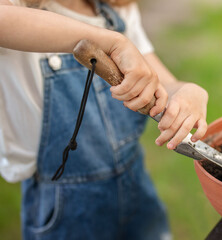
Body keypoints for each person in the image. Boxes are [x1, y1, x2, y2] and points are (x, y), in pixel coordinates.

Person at [0, 0, 208, 239]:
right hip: (66, 208)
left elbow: (162, 85)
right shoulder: (19, 13)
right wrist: (112, 41)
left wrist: (186, 90)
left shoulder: (115, 11)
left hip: (136, 186)